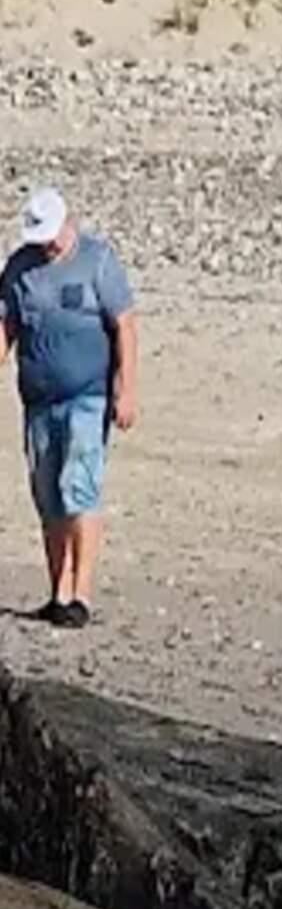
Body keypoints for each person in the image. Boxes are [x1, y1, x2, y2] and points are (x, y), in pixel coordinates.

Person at [0, 187, 139, 628]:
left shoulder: (98, 261)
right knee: (48, 496)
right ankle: (59, 590)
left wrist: (126, 388)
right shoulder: (20, 268)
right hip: (38, 400)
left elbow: (125, 325)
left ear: (67, 223)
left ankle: (81, 593)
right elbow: (6, 326)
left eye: (52, 236)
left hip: (87, 395)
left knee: (79, 486)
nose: (47, 245)